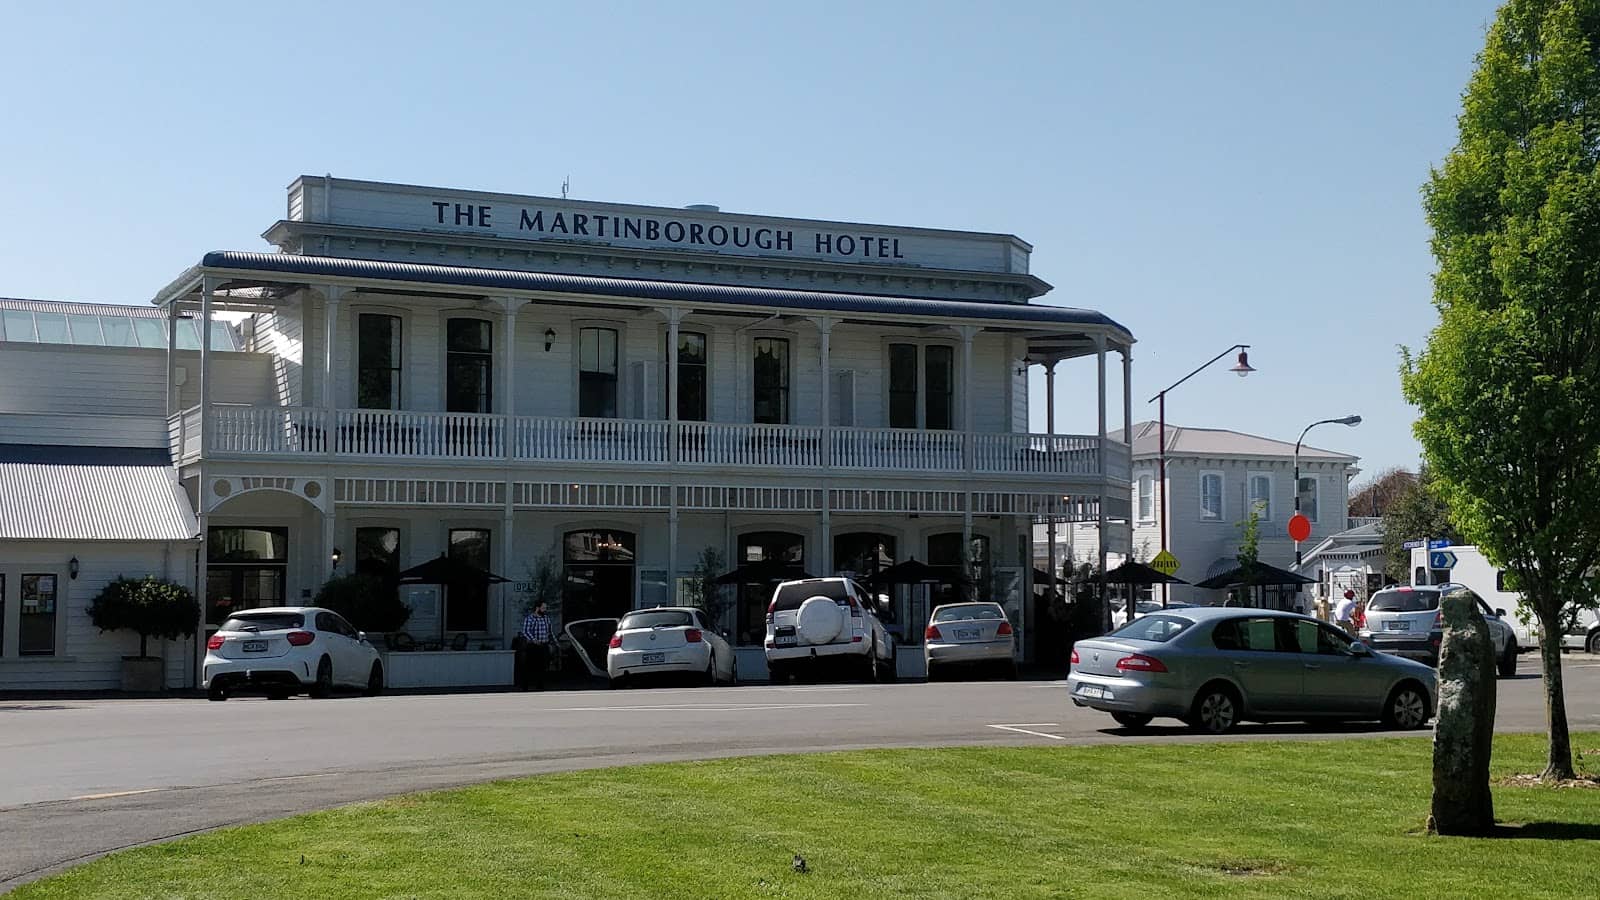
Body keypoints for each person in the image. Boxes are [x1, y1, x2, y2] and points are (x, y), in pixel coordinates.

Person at [519, 601, 555, 691]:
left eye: (545, 608)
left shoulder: (546, 618)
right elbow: (526, 631)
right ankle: (525, 686)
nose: (545, 610)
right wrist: (533, 639)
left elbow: (550, 631)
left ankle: (540, 685)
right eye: (543, 608)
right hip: (533, 646)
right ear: (537, 608)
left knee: (543, 666)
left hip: (544, 644)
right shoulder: (530, 618)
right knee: (529, 665)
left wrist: (554, 642)